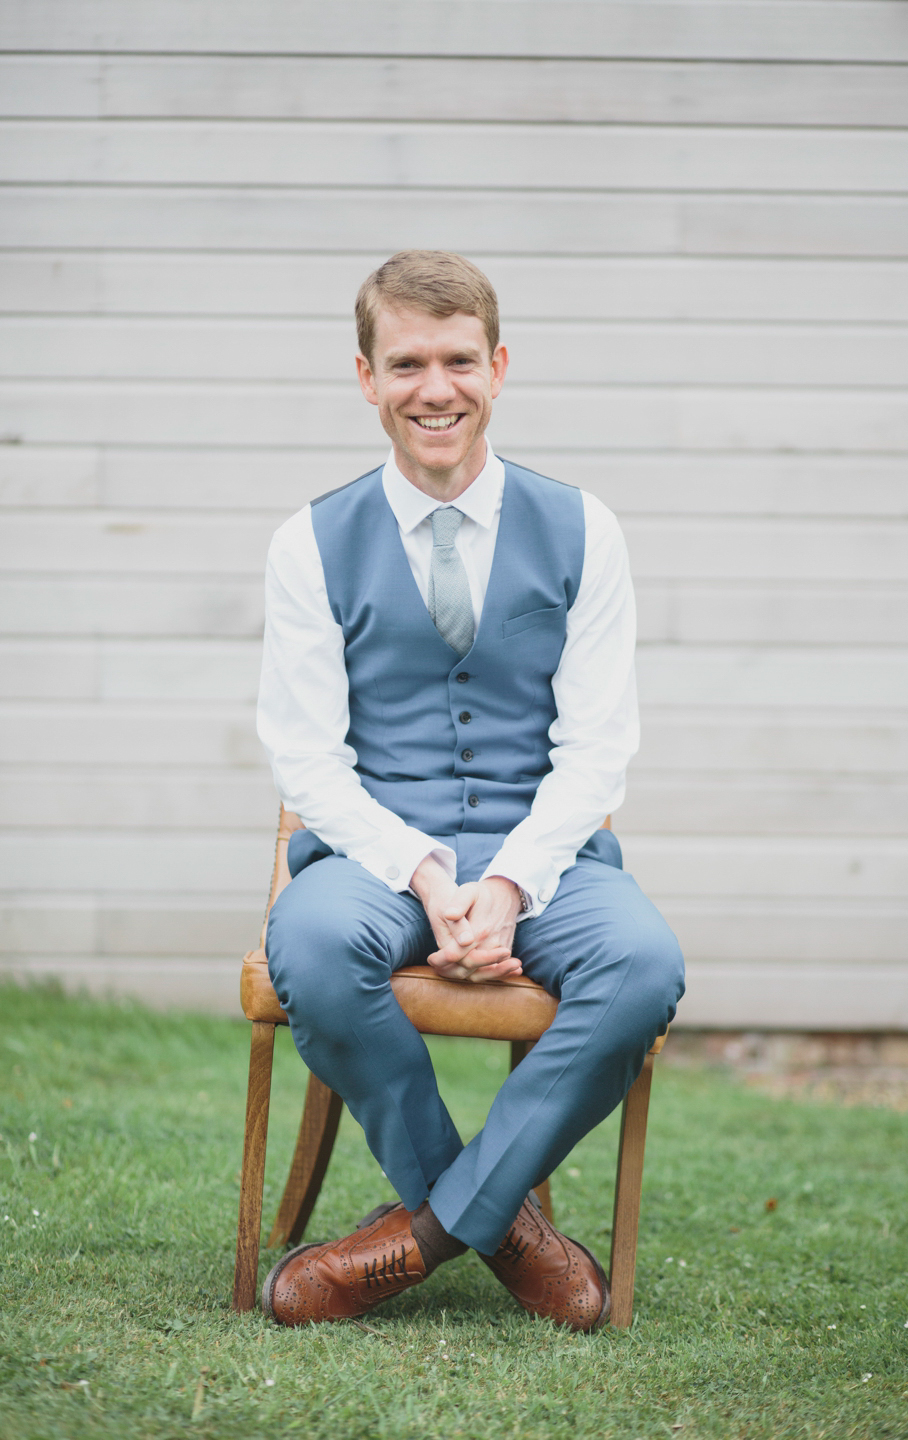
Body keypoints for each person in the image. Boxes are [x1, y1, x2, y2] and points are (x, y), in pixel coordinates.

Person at [256, 250, 684, 1332]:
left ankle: (420, 1238)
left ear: (498, 367)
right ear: (366, 378)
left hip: (542, 852)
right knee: (309, 945)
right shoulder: (307, 544)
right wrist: (423, 871)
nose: (433, 388)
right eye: (406, 363)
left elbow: (598, 748)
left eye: (456, 360)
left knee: (642, 965)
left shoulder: (587, 529)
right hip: (375, 857)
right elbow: (307, 760)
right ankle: (508, 1232)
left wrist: (509, 883)